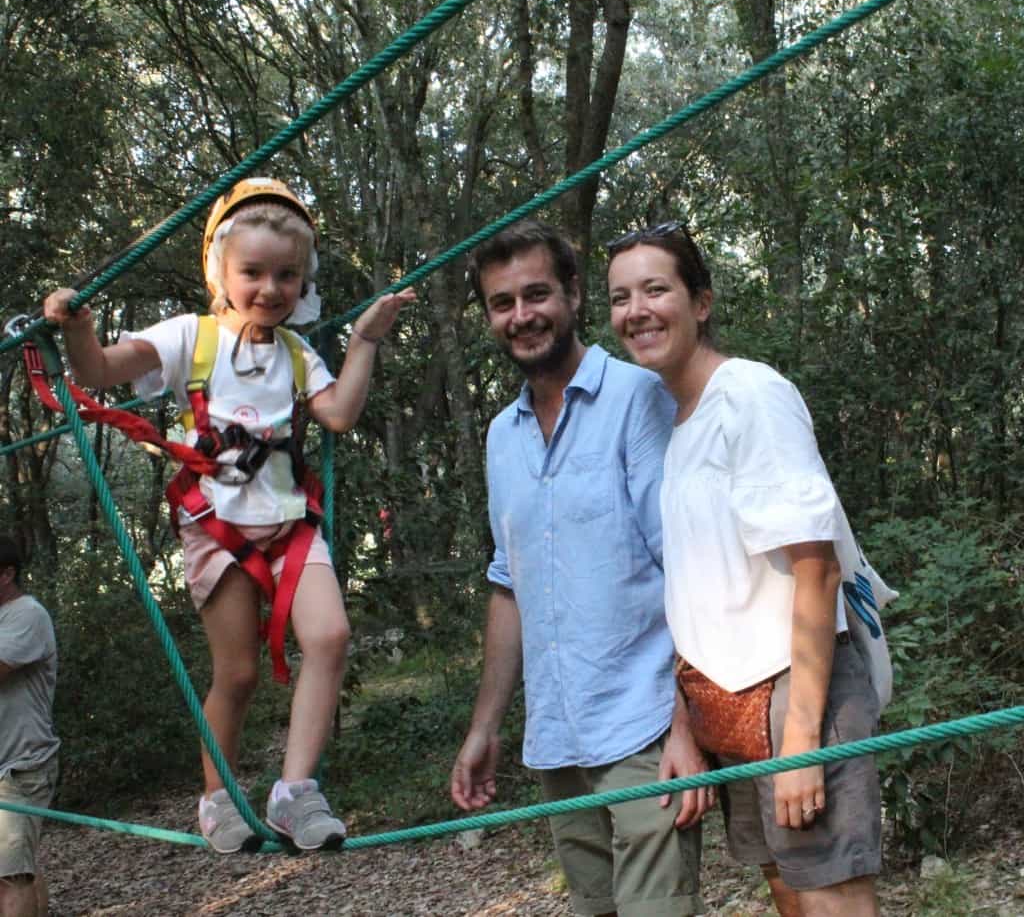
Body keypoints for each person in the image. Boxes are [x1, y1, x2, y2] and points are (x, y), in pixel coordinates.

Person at [43, 178, 415, 853]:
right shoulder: (193, 336)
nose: (271, 289)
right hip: (218, 525)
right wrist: (78, 329)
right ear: (220, 271)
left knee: (330, 637)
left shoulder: (299, 355)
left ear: (303, 283)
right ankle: (217, 798)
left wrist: (362, 341)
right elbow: (96, 373)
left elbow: (339, 414)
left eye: (287, 276)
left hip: (289, 524)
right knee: (237, 673)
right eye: (253, 272)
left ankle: (295, 791)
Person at [607, 221, 882, 917]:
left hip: (795, 689)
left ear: (701, 302)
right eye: (619, 297)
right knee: (790, 894)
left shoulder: (750, 395)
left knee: (832, 900)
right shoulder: (673, 422)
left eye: (655, 289)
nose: (635, 310)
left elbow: (814, 568)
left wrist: (801, 745)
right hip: (725, 700)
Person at [450, 220, 708, 917]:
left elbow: (685, 567)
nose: (522, 316)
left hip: (646, 727)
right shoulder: (501, 436)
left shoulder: (637, 396)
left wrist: (685, 728)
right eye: (502, 303)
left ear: (571, 294)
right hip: (558, 737)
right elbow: (511, 585)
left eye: (537, 294)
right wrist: (486, 727)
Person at [0, 535, 59, 917]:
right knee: (19, 868)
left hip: (21, 767)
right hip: (8, 763)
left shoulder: (27, 615)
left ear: (6, 574)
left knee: (9, 877)